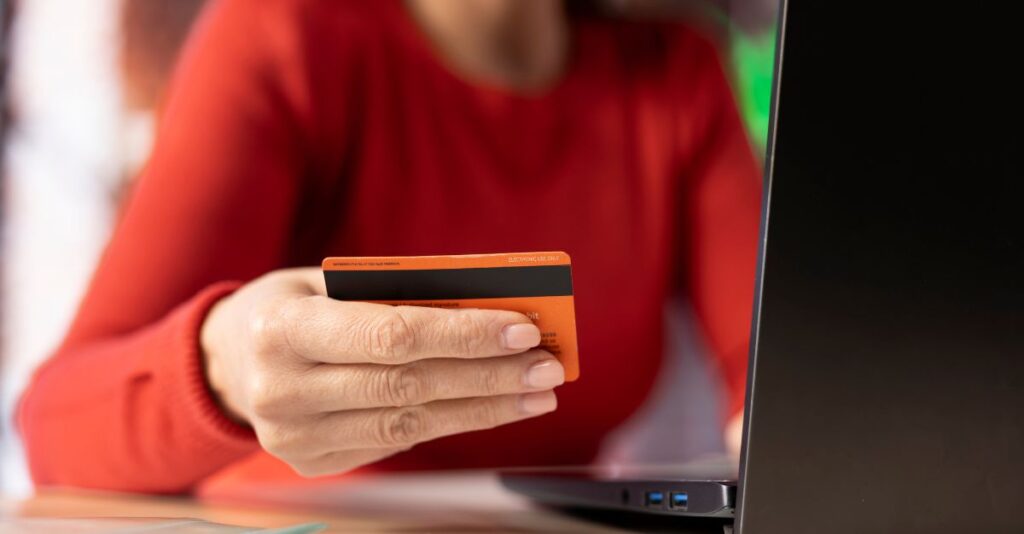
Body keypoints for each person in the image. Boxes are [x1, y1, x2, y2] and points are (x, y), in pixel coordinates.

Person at [18, 0, 761, 494]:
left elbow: (779, 377)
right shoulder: (285, 36)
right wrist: (227, 368)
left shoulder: (677, 74)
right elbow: (56, 430)